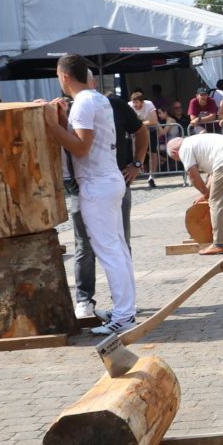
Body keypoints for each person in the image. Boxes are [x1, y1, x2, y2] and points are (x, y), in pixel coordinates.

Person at [43, 55, 137, 334]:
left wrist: (51, 125)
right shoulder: (97, 99)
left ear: (63, 77)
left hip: (97, 183)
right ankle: (125, 311)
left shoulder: (84, 102)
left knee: (110, 251)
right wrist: (60, 120)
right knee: (117, 249)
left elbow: (81, 147)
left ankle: (124, 315)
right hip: (106, 179)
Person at [66, 78, 147, 321]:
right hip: (89, 184)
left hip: (105, 182)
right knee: (89, 246)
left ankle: (123, 310)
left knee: (115, 247)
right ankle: (89, 301)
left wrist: (137, 164)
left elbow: (140, 131)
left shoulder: (108, 103)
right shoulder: (78, 105)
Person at [171, 129, 223, 254]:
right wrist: (205, 192)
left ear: (174, 152)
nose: (180, 161)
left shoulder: (184, 148)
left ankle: (218, 244)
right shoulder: (197, 142)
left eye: (176, 159)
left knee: (216, 202)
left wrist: (206, 194)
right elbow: (213, 175)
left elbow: (193, 176)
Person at [130, 89, 160, 183]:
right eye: (133, 102)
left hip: (150, 130)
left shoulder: (149, 104)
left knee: (152, 153)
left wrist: (140, 124)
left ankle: (152, 175)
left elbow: (154, 121)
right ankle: (136, 172)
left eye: (137, 102)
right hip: (137, 131)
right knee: (136, 152)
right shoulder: (129, 105)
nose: (135, 105)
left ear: (142, 102)